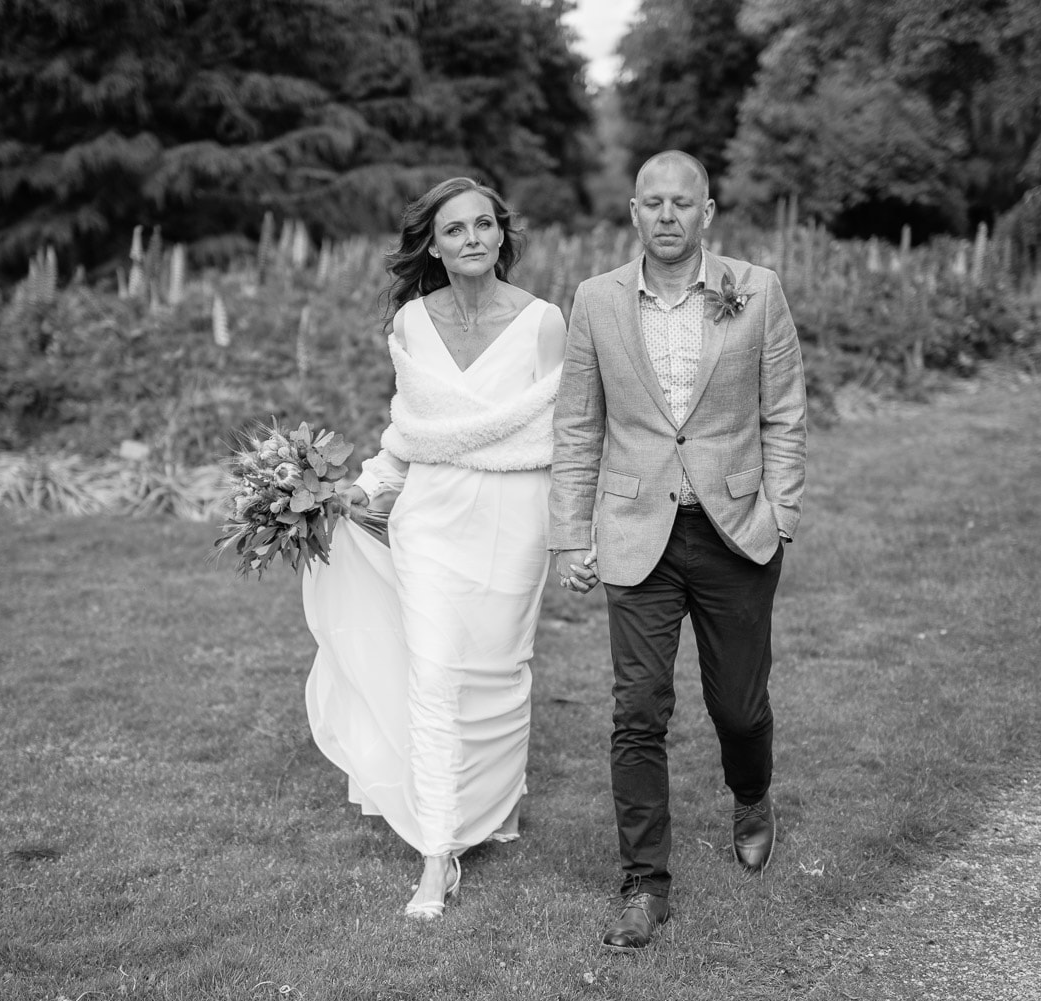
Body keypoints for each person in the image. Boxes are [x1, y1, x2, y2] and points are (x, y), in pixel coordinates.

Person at [547, 151, 807, 951]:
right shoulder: (595, 301)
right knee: (637, 711)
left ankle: (751, 793)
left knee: (738, 704)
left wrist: (782, 513)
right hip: (636, 535)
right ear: (633, 212)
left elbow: (785, 412)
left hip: (734, 532)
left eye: (681, 203)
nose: (667, 215)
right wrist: (570, 534)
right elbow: (578, 427)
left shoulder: (755, 290)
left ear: (707, 212)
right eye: (652, 202)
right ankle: (643, 885)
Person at [302, 177, 567, 919]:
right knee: (435, 674)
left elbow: (569, 433)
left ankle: (500, 804)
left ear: (501, 237)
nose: (472, 238)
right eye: (455, 229)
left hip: (517, 517)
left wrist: (578, 523)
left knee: (501, 672)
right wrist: (365, 489)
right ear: (434, 243)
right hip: (432, 517)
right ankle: (436, 853)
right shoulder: (412, 325)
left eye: (484, 225)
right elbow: (408, 434)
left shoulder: (546, 323)